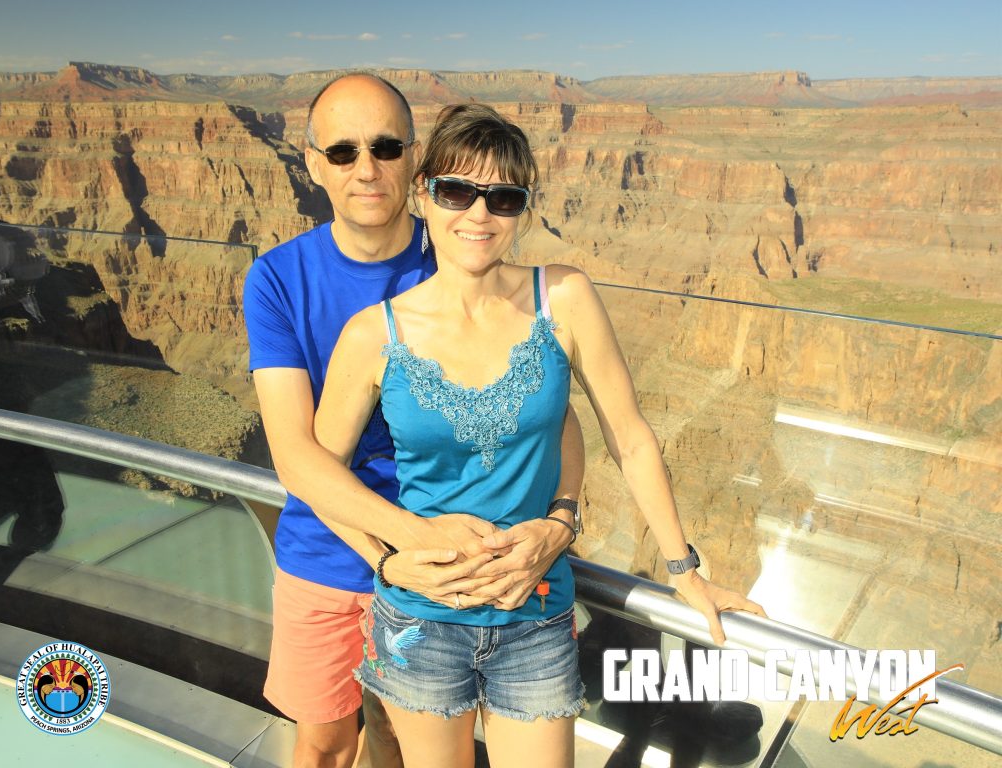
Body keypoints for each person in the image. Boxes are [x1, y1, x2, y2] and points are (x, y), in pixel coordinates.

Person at [313, 103, 767, 768]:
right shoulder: (372, 334)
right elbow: (317, 473)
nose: (479, 215)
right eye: (457, 191)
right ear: (423, 194)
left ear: (523, 209)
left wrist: (684, 572)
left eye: (503, 197)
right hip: (419, 622)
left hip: (536, 614)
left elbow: (630, 438)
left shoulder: (564, 298)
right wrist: (383, 558)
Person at [243, 75, 584, 768]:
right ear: (312, 163)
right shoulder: (277, 279)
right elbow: (296, 455)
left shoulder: (462, 242)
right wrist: (399, 551)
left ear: (414, 162)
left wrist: (563, 515)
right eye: (342, 152)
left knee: (400, 747)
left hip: (459, 572)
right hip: (330, 551)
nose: (366, 169)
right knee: (326, 745)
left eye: (386, 148)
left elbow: (552, 408)